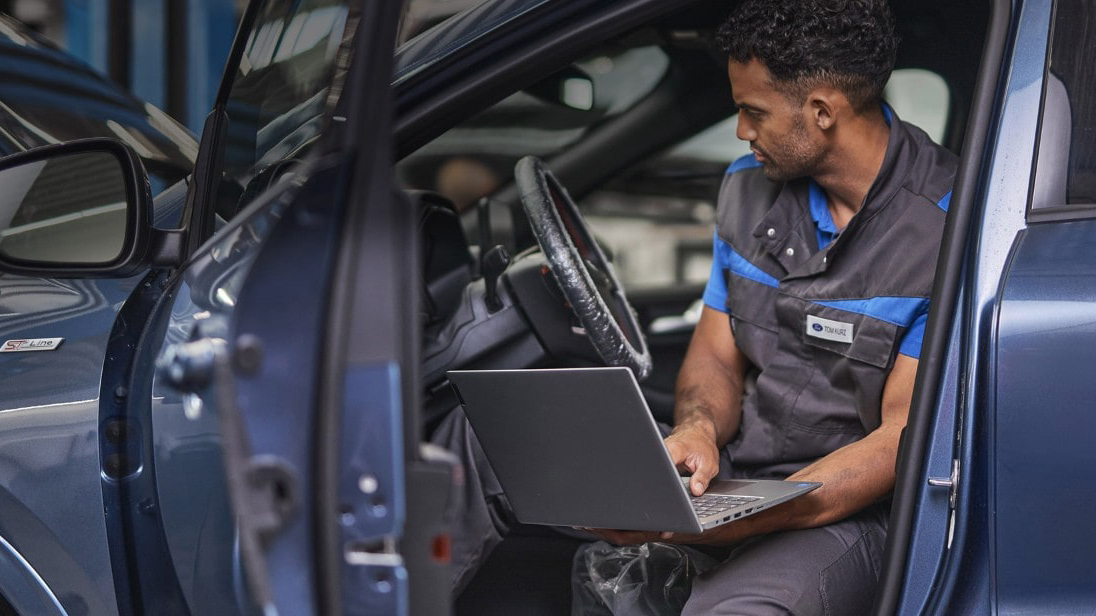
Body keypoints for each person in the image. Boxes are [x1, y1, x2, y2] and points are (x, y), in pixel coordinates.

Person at [584, 0, 957, 613]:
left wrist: (747, 519)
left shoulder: (946, 230)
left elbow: (901, 440)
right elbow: (715, 354)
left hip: (850, 511)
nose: (740, 131)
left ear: (821, 112)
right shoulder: (745, 189)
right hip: (739, 478)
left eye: (752, 111)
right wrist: (698, 429)